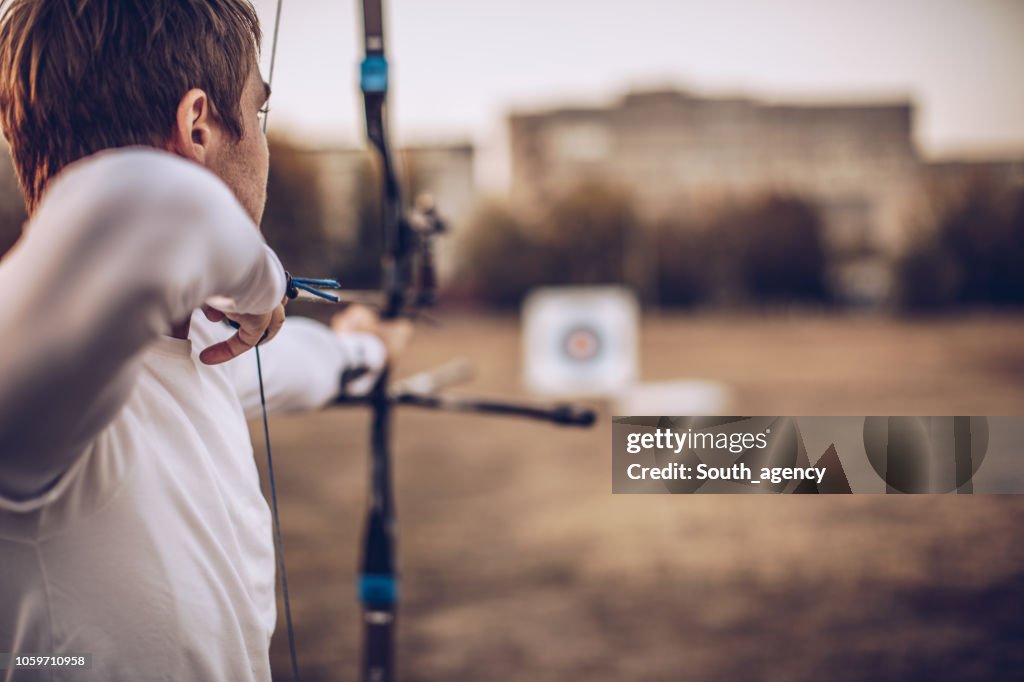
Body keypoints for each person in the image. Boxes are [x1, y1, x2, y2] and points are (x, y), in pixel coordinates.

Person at [0, 1, 406, 679]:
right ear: (198, 125)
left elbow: (298, 364)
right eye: (260, 114)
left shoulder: (197, 344)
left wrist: (365, 348)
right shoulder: (35, 383)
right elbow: (146, 202)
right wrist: (261, 279)